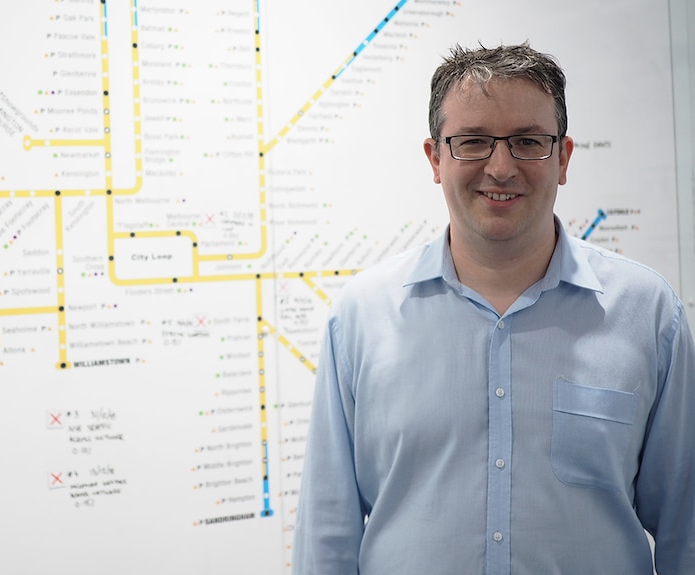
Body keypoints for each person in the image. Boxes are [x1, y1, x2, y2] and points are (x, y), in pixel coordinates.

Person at [292, 43, 695, 574]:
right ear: (436, 159)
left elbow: (685, 530)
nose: (501, 168)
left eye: (528, 141)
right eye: (473, 142)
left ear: (564, 157)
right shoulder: (361, 317)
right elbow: (328, 535)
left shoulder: (648, 314)